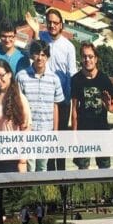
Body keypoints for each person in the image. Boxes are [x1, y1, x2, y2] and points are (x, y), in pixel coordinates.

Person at [27, 9, 76, 171]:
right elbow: (31, 54)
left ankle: (60, 177)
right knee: (44, 143)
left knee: (59, 141)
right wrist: (35, 32)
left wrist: (69, 100)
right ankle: (46, 178)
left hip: (62, 101)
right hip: (43, 98)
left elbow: (72, 74)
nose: (52, 25)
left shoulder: (68, 47)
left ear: (61, 24)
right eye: (50, 22)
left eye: (56, 23)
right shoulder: (41, 38)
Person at [16, 40, 64, 171]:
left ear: (47, 57)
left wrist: (55, 131)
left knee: (42, 167)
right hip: (27, 131)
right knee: (29, 166)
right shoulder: (21, 76)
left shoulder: (54, 79)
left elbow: (55, 106)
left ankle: (40, 190)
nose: (40, 58)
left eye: (43, 55)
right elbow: (18, 105)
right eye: (37, 54)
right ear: (32, 55)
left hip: (46, 131)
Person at [71, 42, 113, 169]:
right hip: (83, 132)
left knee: (104, 168)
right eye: (84, 56)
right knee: (82, 169)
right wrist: (74, 135)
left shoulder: (104, 79)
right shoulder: (76, 80)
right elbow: (74, 109)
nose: (87, 59)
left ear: (96, 58)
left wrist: (108, 106)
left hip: (101, 131)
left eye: (90, 56)